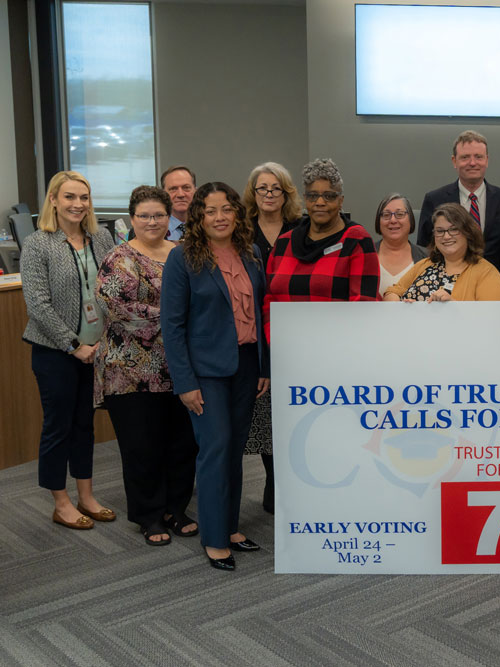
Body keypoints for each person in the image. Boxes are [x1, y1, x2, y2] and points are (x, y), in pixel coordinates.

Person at [161, 182, 270, 571]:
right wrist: (185, 383)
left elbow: (260, 312)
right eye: (210, 211)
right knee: (216, 449)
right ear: (198, 217)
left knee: (235, 451)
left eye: (227, 209)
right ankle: (213, 538)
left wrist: (264, 368)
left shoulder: (251, 253)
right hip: (205, 373)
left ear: (237, 214)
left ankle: (230, 526)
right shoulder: (182, 259)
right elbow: (171, 327)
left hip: (245, 366)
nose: (220, 217)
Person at [95, 185, 198, 545]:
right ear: (132, 218)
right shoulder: (118, 258)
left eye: (158, 215)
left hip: (180, 369)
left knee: (182, 444)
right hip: (131, 372)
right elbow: (119, 309)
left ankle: (176, 508)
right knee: (143, 446)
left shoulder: (183, 254)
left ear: (169, 218)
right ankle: (148, 515)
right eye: (144, 215)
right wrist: (180, 320)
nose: (152, 221)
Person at [20, 171, 116, 531]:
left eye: (84, 197)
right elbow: (38, 306)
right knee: (57, 427)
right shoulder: (38, 243)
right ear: (54, 201)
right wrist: (74, 346)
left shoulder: (101, 237)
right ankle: (60, 502)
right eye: (70, 197)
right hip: (55, 352)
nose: (78, 204)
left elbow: (112, 287)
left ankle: (86, 496)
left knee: (84, 426)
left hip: (97, 349)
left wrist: (102, 341)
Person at [240, 161, 303, 514]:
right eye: (262, 188)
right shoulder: (241, 231)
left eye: (275, 188)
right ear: (253, 193)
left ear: (286, 193)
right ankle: (273, 481)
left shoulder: (302, 229)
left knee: (297, 408)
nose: (268, 194)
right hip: (254, 327)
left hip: (293, 328)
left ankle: (297, 478)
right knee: (267, 410)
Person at [264, 159, 380, 341]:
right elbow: (269, 299)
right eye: (312, 196)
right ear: (305, 199)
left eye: (329, 196)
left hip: (336, 353)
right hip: (284, 350)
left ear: (341, 200)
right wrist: (274, 340)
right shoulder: (284, 243)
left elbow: (363, 308)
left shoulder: (356, 240)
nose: (319, 202)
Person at [416, 130, 500, 270]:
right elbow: (425, 248)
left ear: (487, 160)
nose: (472, 163)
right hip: (447, 281)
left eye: (478, 157)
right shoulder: (434, 200)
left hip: (494, 282)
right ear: (454, 161)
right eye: (465, 157)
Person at [384, 203, 500, 302]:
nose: (446, 236)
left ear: (468, 233)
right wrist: (401, 305)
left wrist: (452, 306)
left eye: (453, 230)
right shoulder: (425, 264)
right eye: (440, 231)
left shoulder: (486, 273)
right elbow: (392, 291)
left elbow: (493, 319)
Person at [374, 193, 428, 297]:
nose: (393, 220)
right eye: (386, 215)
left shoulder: (427, 258)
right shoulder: (364, 255)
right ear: (378, 221)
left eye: (400, 214)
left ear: (410, 219)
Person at [161, 166, 197, 240]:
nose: (180, 194)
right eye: (173, 189)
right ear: (163, 194)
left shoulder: (208, 226)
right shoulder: (152, 228)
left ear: (195, 191)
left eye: (186, 188)